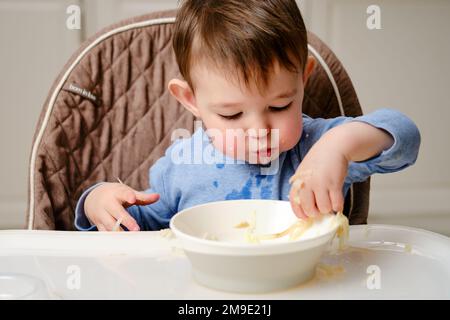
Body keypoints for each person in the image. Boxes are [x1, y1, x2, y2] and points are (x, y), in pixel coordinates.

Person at [74, 0, 420, 231]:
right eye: (231, 114)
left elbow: (404, 137)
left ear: (303, 79)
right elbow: (139, 230)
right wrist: (98, 202)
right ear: (190, 99)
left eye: (279, 106)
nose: (258, 130)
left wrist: (339, 148)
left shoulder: (317, 148)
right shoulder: (181, 165)